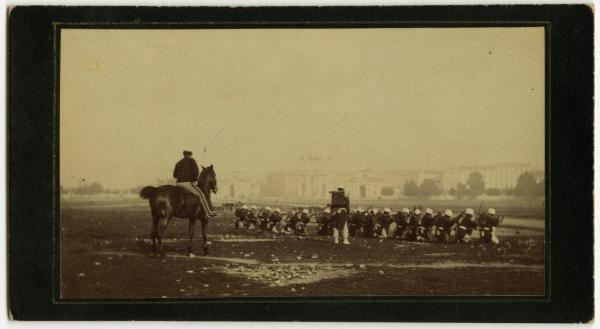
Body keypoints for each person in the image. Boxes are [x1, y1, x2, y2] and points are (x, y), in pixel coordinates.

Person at [173, 150, 215, 220]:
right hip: (187, 183)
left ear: (184, 155)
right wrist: (194, 180)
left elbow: (174, 175)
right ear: (190, 155)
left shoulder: (178, 163)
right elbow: (196, 173)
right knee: (201, 195)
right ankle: (208, 213)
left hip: (178, 184)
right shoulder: (192, 161)